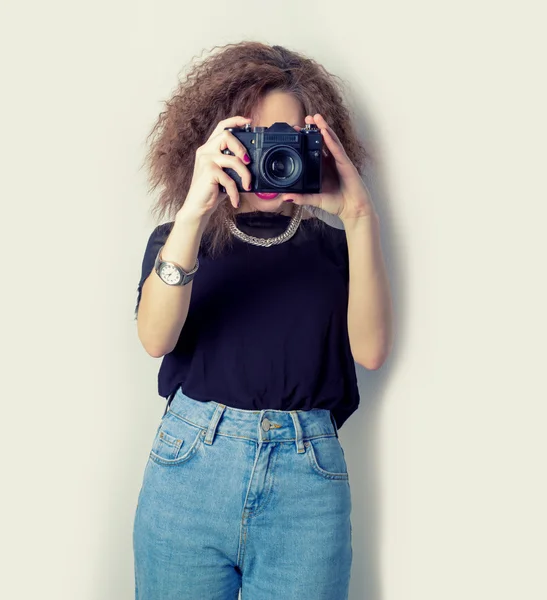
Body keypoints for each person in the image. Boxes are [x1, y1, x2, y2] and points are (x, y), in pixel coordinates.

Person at [132, 41, 393, 600]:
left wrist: (360, 217)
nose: (272, 153)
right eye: (256, 138)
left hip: (307, 485)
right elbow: (155, 339)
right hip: (189, 473)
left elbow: (370, 351)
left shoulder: (334, 246)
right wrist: (194, 212)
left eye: (289, 138)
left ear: (316, 142)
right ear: (220, 140)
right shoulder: (179, 241)